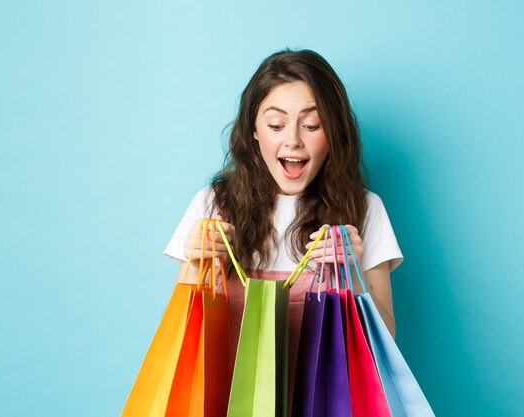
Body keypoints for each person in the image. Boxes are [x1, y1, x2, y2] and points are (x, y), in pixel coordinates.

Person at [163, 48, 403, 413]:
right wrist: (197, 263)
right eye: (276, 125)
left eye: (312, 125)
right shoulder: (213, 203)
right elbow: (179, 343)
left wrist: (351, 273)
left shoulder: (365, 209)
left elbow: (385, 344)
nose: (293, 140)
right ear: (254, 132)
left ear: (334, 131)